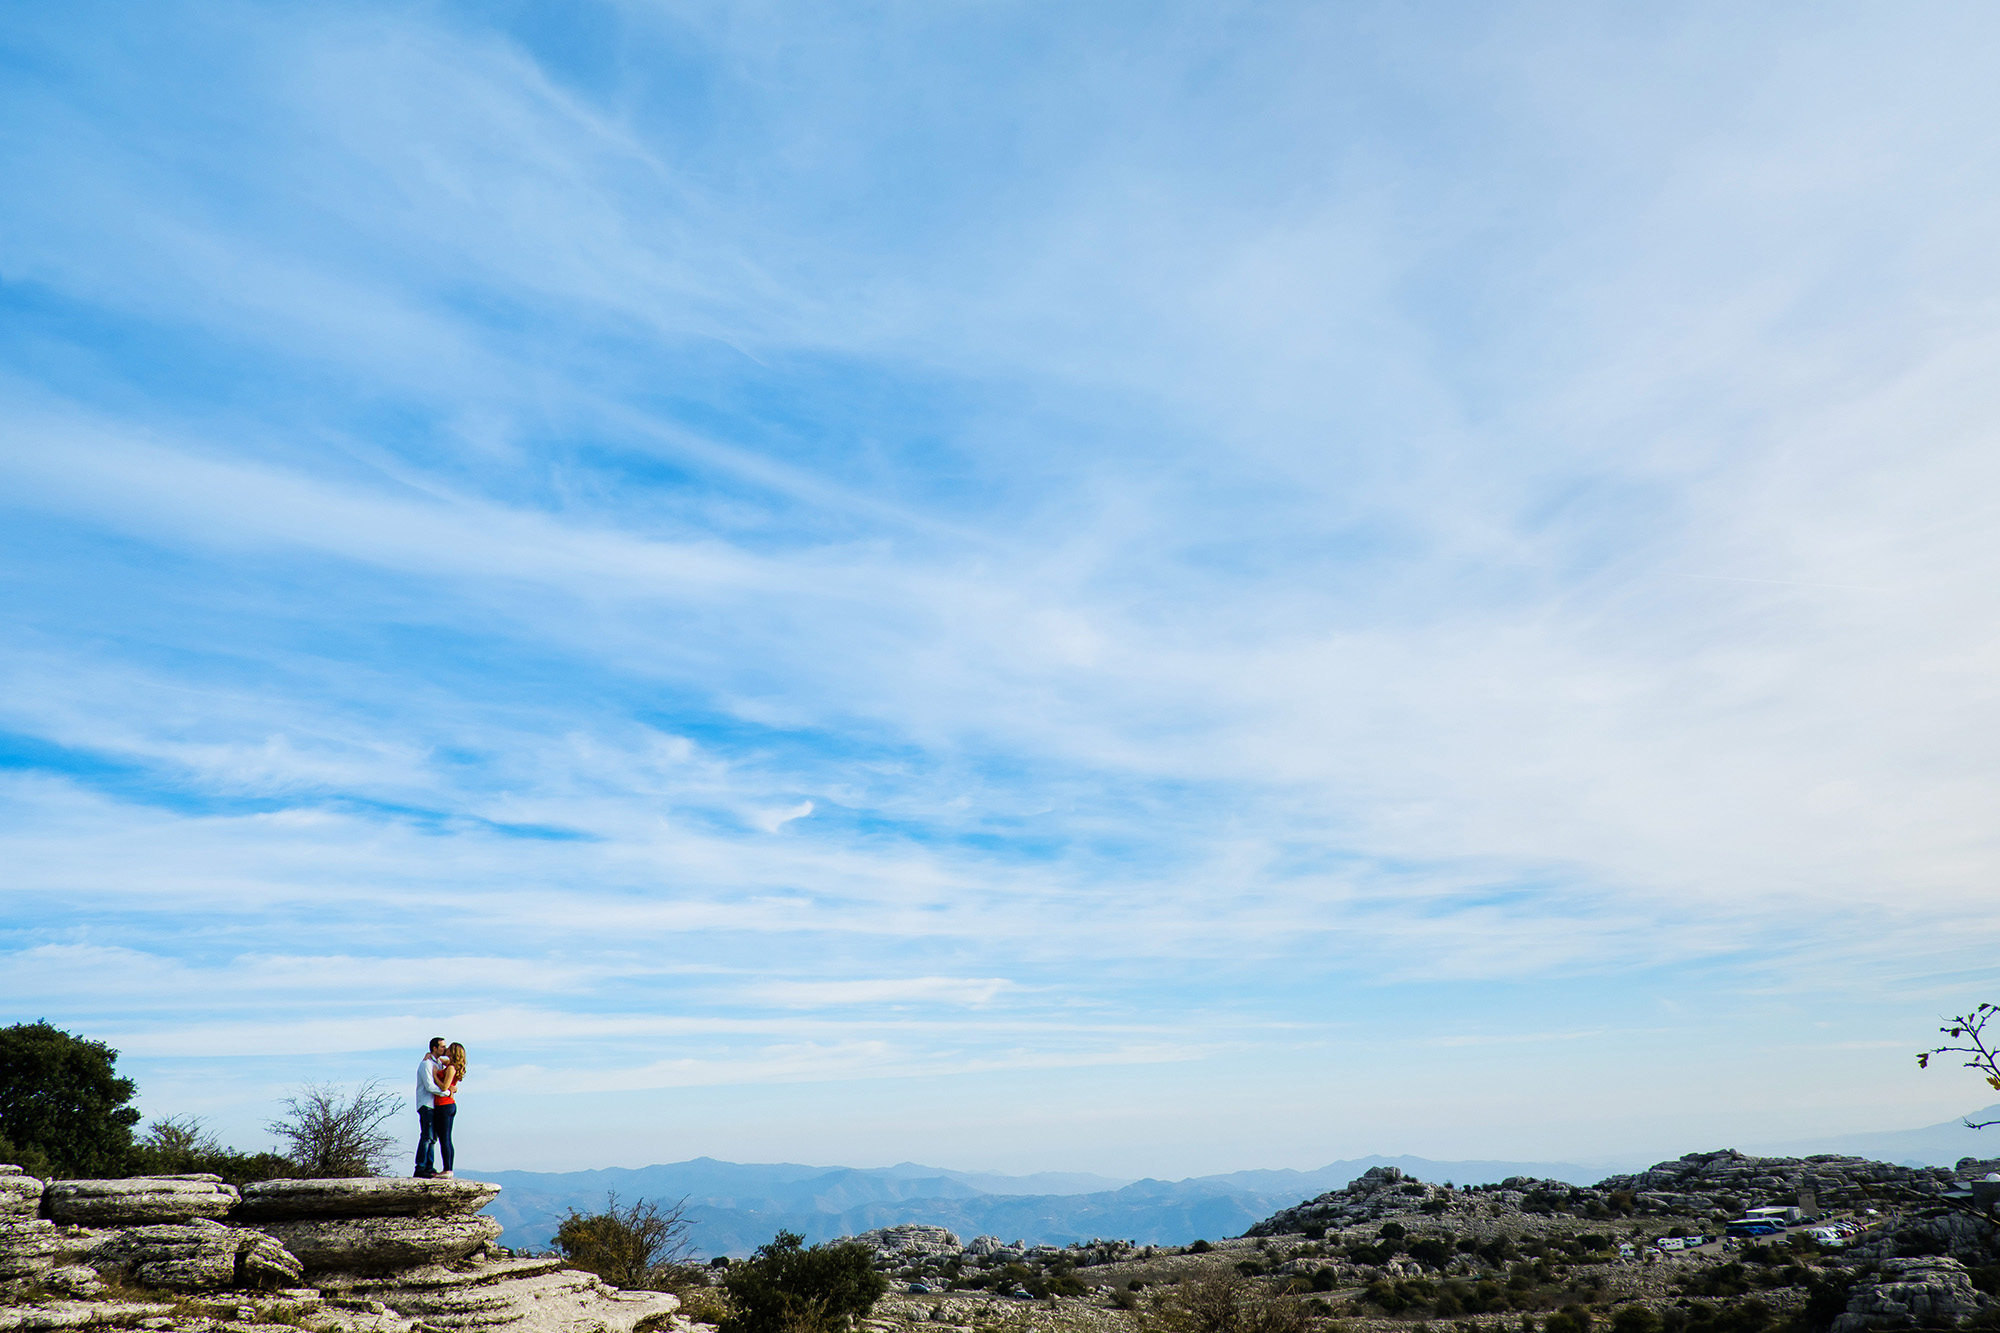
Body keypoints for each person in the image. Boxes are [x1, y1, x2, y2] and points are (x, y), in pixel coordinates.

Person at [414, 1036, 447, 1178]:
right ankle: (420, 1167)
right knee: (426, 1136)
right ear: (434, 1048)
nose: (444, 1049)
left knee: (433, 1138)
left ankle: (429, 1166)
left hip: (434, 1105)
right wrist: (446, 1092)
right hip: (426, 1104)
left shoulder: (438, 1063)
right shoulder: (426, 1064)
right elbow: (429, 1086)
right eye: (442, 1047)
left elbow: (453, 1060)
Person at [433, 1041, 467, 1178]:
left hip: (444, 1104)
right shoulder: (451, 1065)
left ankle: (447, 1169)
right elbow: (441, 1059)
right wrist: (430, 1055)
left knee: (444, 1138)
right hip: (448, 1105)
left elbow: (444, 1087)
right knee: (446, 1138)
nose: (445, 1049)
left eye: (448, 1048)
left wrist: (435, 1075)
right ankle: (448, 1168)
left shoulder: (451, 1068)